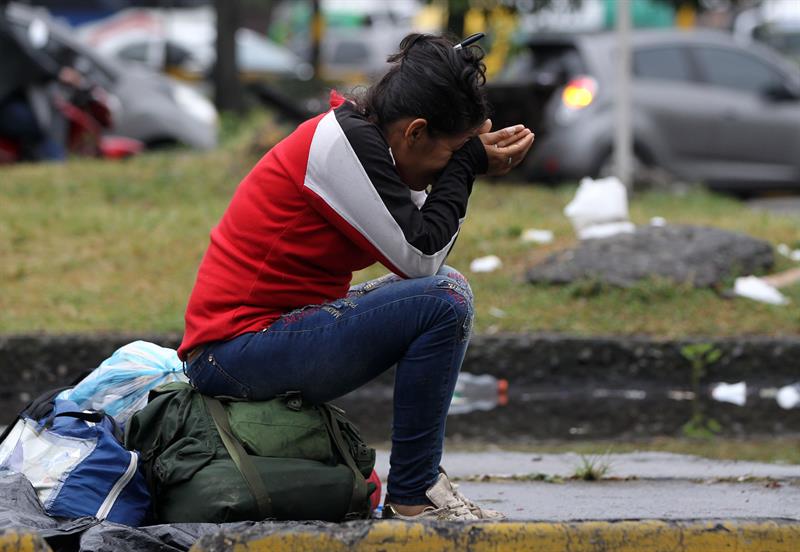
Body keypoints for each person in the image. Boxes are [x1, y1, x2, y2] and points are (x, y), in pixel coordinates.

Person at [178, 33, 534, 521]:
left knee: (443, 293)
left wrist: (460, 164)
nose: (441, 173)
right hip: (231, 351)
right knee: (444, 298)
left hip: (261, 338)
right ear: (414, 132)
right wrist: (467, 169)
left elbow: (423, 240)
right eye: (447, 153)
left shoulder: (370, 144)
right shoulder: (339, 147)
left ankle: (415, 488)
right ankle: (414, 493)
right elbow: (420, 258)